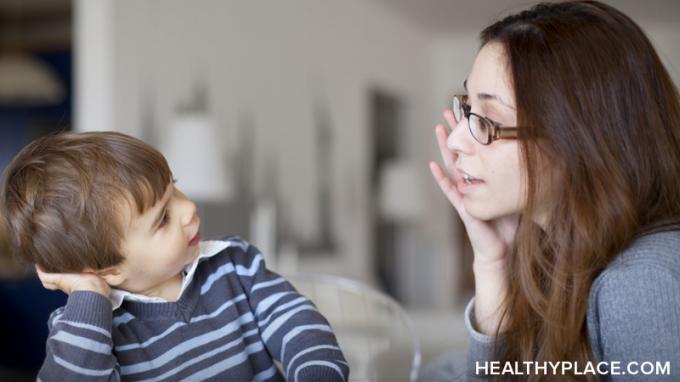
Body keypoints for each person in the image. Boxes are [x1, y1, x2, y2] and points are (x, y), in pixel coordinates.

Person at [427, 1, 680, 381]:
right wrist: (493, 264)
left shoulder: (639, 284)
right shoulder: (558, 254)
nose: (458, 140)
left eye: (489, 121)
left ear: (579, 138)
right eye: (467, 109)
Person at [0, 131, 349, 381]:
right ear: (109, 270)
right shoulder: (90, 333)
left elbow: (298, 323)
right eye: (163, 219)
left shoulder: (234, 265)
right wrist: (90, 294)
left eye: (174, 187)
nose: (188, 209)